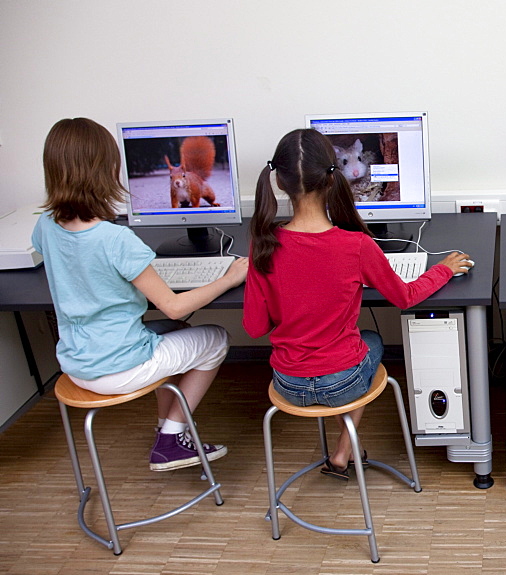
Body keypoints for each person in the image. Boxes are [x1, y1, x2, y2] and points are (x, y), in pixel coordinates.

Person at [243, 128, 472, 480]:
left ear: (279, 181)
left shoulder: (263, 244)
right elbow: (405, 297)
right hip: (341, 384)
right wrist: (442, 270)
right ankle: (343, 450)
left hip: (287, 383)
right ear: (333, 177)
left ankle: (344, 449)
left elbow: (256, 327)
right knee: (372, 341)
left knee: (350, 347)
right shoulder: (356, 246)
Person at [32, 118, 248, 471]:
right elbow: (176, 306)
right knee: (216, 339)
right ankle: (171, 440)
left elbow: (74, 261)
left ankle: (167, 429)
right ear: (105, 170)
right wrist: (229, 277)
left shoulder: (44, 225)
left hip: (75, 363)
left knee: (176, 334)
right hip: (119, 366)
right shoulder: (116, 240)